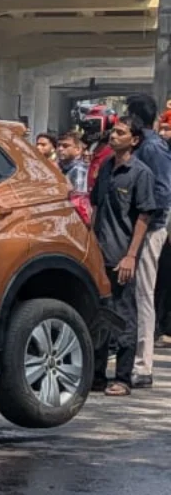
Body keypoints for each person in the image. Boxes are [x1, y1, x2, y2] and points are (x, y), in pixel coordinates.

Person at [92, 117, 160, 397]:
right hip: (100, 255)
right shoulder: (106, 167)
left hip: (123, 256)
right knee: (99, 317)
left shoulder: (140, 173)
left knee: (124, 317)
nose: (114, 136)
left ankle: (122, 377)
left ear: (134, 140)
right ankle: (96, 376)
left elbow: (144, 216)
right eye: (113, 131)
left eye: (121, 133)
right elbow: (96, 207)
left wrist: (131, 256)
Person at [123, 94, 171, 388]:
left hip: (148, 229)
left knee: (143, 294)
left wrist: (146, 221)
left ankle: (143, 365)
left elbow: (163, 191)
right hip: (132, 229)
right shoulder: (140, 146)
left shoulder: (152, 147)